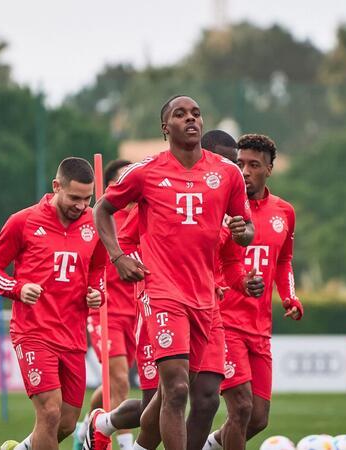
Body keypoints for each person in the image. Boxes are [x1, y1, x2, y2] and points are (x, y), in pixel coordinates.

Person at [90, 96, 254, 450]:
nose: (191, 119)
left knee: (199, 396)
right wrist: (118, 257)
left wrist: (244, 233)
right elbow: (101, 209)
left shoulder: (227, 174)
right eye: (180, 115)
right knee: (177, 390)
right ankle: (110, 428)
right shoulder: (145, 172)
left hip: (206, 299)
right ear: (166, 128)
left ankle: (130, 444)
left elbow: (246, 230)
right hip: (161, 293)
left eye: (196, 114)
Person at [0, 157, 107, 450]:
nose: (80, 205)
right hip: (33, 332)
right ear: (56, 187)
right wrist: (17, 287)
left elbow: (99, 270)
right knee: (49, 412)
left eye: (87, 199)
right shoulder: (22, 222)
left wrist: (96, 292)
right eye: (74, 197)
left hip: (73, 335)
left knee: (65, 422)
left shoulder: (94, 222)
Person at [203, 134, 304, 450]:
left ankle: (205, 446)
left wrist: (289, 295)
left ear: (269, 169)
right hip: (224, 323)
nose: (244, 171)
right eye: (239, 164)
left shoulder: (284, 212)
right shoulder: (221, 212)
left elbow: (284, 260)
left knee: (258, 418)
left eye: (253, 165)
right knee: (242, 408)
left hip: (259, 329)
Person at [73, 159, 137, 450]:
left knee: (113, 385)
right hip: (105, 311)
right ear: (112, 185)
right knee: (121, 380)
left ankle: (83, 428)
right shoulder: (97, 218)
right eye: (125, 178)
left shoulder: (142, 215)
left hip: (136, 314)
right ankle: (124, 444)